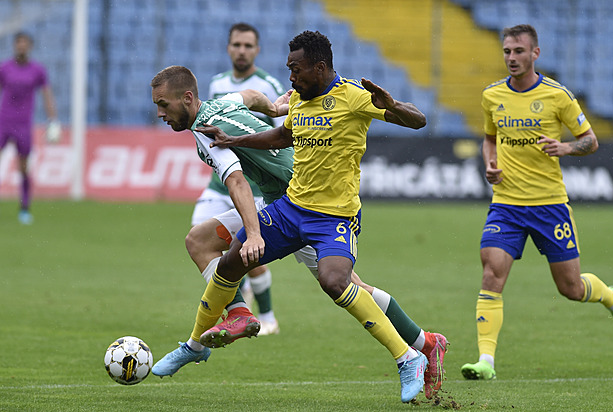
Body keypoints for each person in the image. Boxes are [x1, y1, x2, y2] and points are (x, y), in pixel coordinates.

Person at [150, 63, 448, 401]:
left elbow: (236, 183)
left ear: (187, 98)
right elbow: (250, 96)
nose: (159, 112)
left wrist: (254, 233)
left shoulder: (207, 133)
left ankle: (422, 346)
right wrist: (276, 107)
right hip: (282, 201)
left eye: (163, 104)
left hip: (303, 202)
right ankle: (216, 329)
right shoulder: (220, 102)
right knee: (199, 241)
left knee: (347, 286)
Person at [460, 24, 613, 381]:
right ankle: (486, 361)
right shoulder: (492, 95)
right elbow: (489, 139)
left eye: (519, 51)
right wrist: (490, 163)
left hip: (549, 205)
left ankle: (611, 297)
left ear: (535, 54)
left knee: (570, 288)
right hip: (505, 205)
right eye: (507, 51)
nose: (511, 58)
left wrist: (565, 147)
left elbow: (590, 141)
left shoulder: (557, 95)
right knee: (491, 272)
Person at [194, 22, 287, 336]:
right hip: (219, 183)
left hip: (256, 185)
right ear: (228, 47)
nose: (242, 50)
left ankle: (267, 315)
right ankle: (237, 306)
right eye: (237, 45)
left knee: (250, 249)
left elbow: (284, 133)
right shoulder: (218, 84)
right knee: (198, 238)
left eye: (248, 45)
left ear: (257, 50)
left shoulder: (269, 85)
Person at [0, 32, 58, 224]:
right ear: (15, 45)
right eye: (19, 43)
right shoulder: (5, 68)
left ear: (30, 47)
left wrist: (53, 119)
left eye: (25, 44)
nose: (21, 47)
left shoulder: (37, 71)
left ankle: (24, 208)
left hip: (23, 124)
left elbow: (46, 94)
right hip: (3, 121)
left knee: (23, 167)